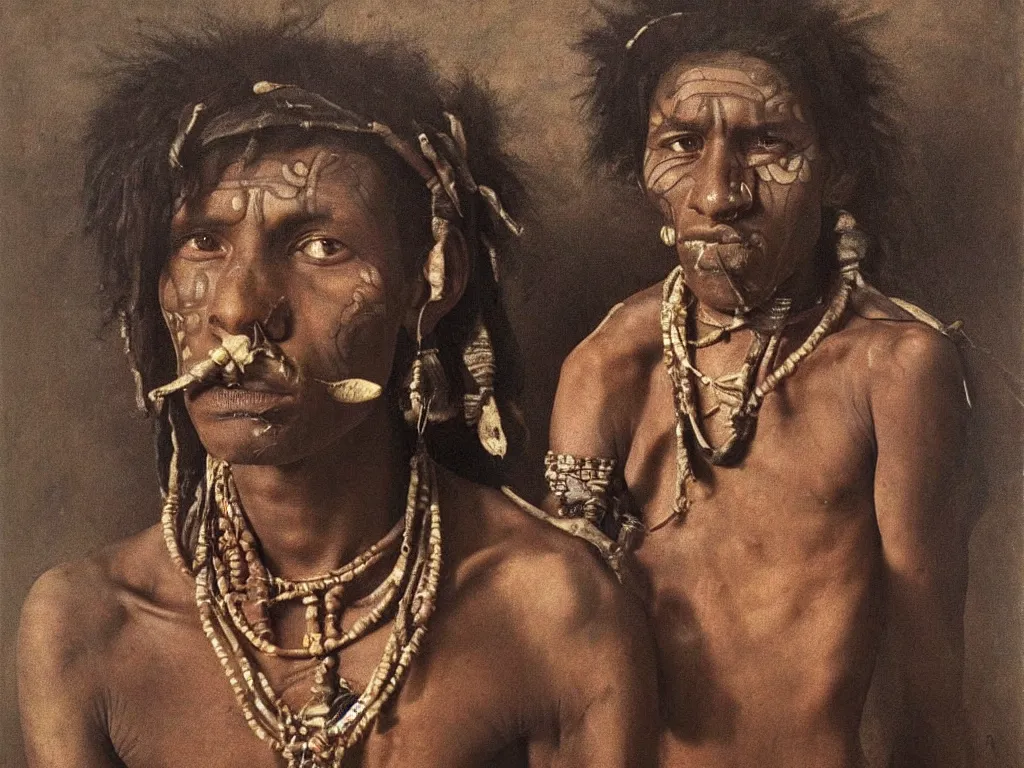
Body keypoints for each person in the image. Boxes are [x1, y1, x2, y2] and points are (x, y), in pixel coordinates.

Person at [17, 22, 656, 768]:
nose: (240, 310)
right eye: (203, 242)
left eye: (322, 246)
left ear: (431, 282)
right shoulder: (87, 630)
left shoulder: (554, 609)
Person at [545, 1, 972, 765]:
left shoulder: (895, 370)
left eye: (767, 143)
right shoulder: (610, 365)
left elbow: (931, 681)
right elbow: (562, 664)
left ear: (835, 167)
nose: (718, 194)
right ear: (644, 166)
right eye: (681, 143)